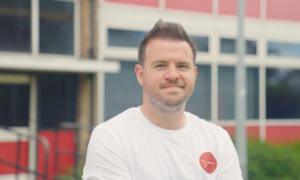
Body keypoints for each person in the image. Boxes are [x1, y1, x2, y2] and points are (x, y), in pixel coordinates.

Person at [82, 19, 243, 180]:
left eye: (182, 66)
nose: (173, 75)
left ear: (194, 74)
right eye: (161, 65)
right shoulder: (112, 138)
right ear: (141, 74)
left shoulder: (218, 141)